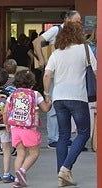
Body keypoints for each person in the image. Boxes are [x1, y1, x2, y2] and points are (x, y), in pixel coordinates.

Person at [43, 21, 97, 187]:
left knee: (63, 136)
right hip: (77, 97)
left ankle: (62, 175)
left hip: (59, 97)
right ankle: (66, 168)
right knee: (83, 133)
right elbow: (96, 72)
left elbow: (47, 75)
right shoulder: (85, 49)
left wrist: (47, 95)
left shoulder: (56, 53)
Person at [32, 10, 81, 149]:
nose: (79, 24)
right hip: (55, 73)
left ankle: (63, 136)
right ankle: (54, 137)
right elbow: (37, 42)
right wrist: (42, 59)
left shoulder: (76, 34)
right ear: (67, 20)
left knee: (68, 104)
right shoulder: (56, 30)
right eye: (76, 21)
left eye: (79, 22)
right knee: (53, 104)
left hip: (70, 73)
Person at [3, 70, 52, 187]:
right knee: (34, 153)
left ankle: (17, 180)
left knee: (20, 154)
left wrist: (6, 124)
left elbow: (5, 111)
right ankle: (22, 170)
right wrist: (49, 103)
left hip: (15, 128)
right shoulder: (35, 94)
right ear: (32, 82)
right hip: (29, 129)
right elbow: (45, 109)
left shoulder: (13, 95)